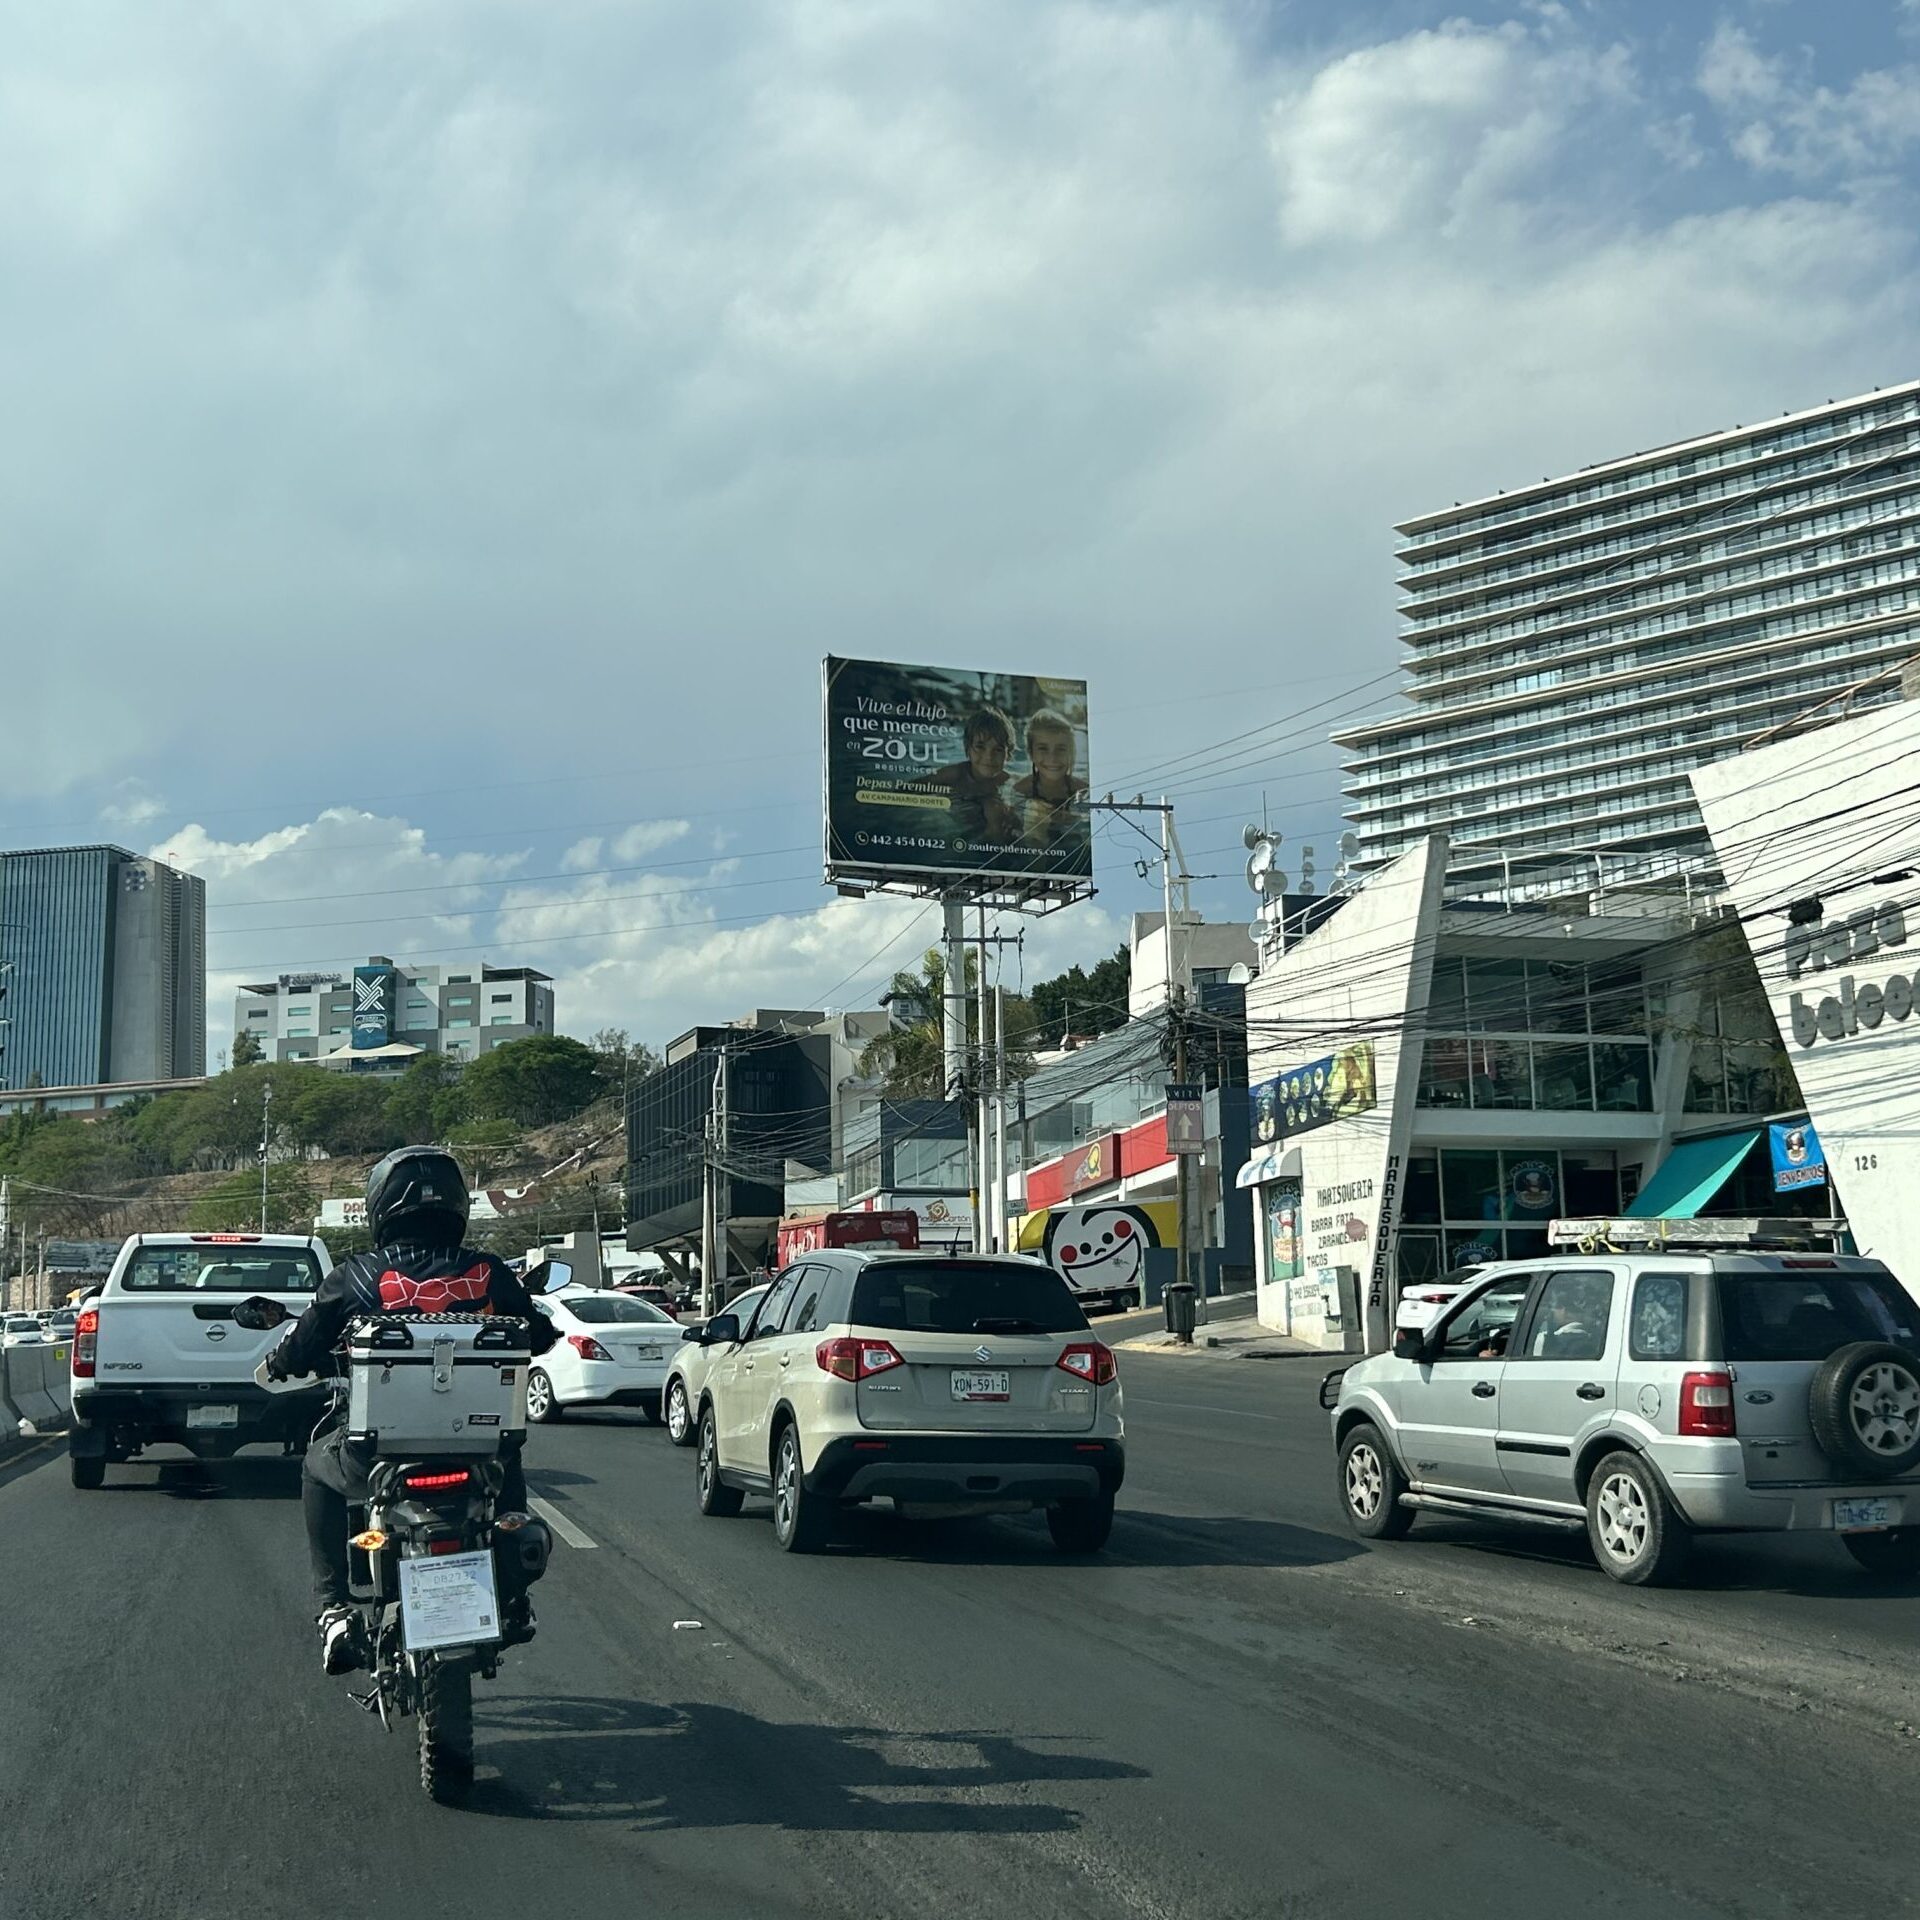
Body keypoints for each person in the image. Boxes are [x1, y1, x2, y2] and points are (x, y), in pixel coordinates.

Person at [267, 1145, 558, 1676]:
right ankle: (512, 1598)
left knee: (315, 1466)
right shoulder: (490, 1273)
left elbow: (303, 1346)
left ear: (380, 1206)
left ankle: (333, 1608)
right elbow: (539, 1336)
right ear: (456, 1205)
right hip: (478, 1455)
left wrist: (282, 1361)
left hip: (377, 1456)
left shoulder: (357, 1275)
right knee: (508, 1457)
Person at [925, 706, 1020, 843]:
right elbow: (906, 790)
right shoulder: (954, 775)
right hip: (963, 817)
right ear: (968, 748)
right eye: (980, 747)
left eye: (998, 749)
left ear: (1008, 754)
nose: (989, 757)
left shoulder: (1011, 781)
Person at [1010, 709, 1088, 853]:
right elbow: (1014, 830)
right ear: (1030, 753)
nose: (1052, 758)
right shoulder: (1021, 789)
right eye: (1043, 749)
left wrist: (1075, 819)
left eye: (1061, 749)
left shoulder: (1082, 790)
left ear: (1071, 753)